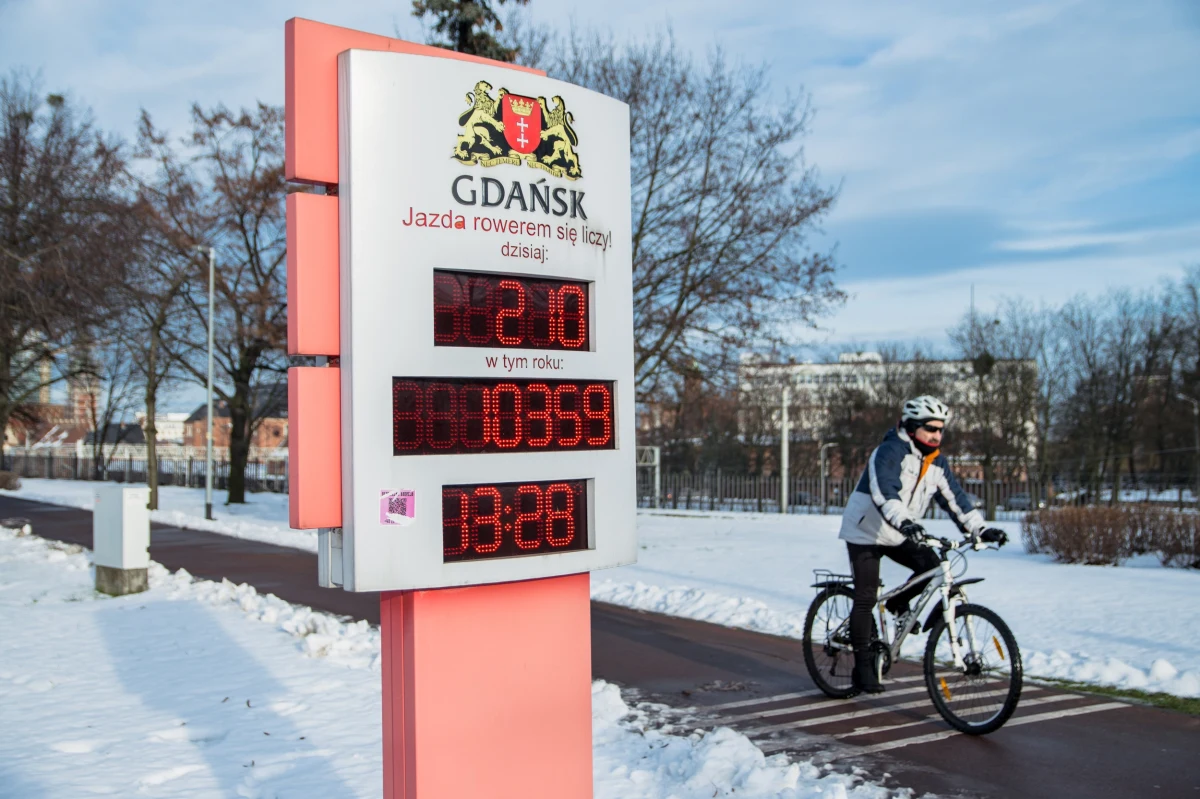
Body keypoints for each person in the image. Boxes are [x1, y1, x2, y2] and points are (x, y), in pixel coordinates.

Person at [837, 395, 1008, 694]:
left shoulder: (936, 462)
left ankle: (897, 602)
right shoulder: (889, 451)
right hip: (865, 529)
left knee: (931, 565)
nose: (937, 435)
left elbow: (955, 499)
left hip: (901, 531)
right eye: (931, 428)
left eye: (941, 430)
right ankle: (862, 668)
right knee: (865, 595)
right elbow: (884, 493)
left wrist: (980, 529)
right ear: (912, 427)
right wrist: (906, 522)